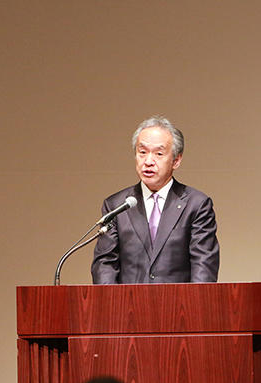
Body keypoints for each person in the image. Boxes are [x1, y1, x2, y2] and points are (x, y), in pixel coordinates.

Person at [91, 116, 219, 284]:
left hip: (179, 307)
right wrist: (114, 306)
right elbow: (104, 266)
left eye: (159, 154)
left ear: (176, 160)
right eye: (142, 152)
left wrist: (192, 308)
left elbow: (203, 267)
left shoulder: (197, 204)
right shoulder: (116, 206)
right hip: (127, 307)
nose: (148, 161)